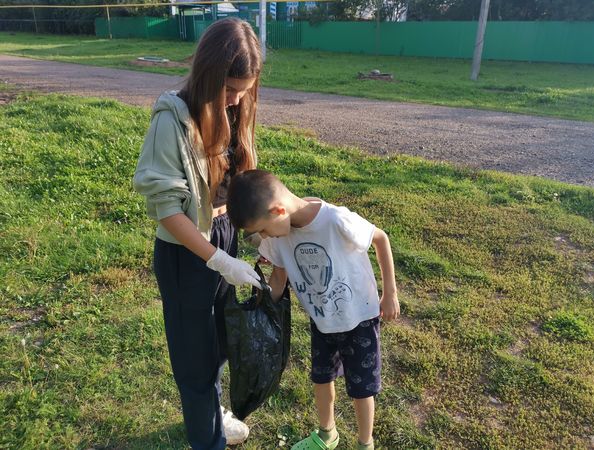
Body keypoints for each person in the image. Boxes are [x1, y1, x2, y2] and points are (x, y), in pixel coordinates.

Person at [133, 18, 263, 450]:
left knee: (219, 341)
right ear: (208, 74)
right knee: (194, 358)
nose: (236, 99)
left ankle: (213, 412)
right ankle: (208, 440)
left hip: (224, 234)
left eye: (244, 90)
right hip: (187, 250)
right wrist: (218, 259)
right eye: (230, 89)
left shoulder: (235, 109)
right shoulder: (172, 118)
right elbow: (167, 210)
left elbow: (237, 184)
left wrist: (257, 235)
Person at [227, 169, 400, 450]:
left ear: (278, 210)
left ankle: (365, 443)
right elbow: (279, 277)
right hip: (322, 322)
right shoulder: (278, 235)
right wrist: (261, 309)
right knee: (321, 378)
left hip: (359, 321)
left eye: (263, 229)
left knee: (361, 389)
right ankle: (327, 434)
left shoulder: (335, 220)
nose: (263, 237)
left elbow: (380, 238)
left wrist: (390, 293)